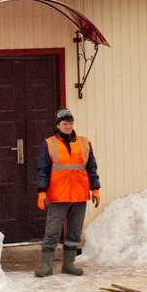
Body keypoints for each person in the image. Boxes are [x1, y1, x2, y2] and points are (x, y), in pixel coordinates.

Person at [33, 107, 101, 277]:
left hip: (79, 196)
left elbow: (91, 168)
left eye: (70, 123)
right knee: (52, 230)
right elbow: (43, 170)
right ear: (58, 125)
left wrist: (95, 189)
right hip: (58, 196)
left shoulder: (84, 143)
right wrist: (42, 192)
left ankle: (69, 264)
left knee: (74, 232)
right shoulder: (49, 144)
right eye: (64, 123)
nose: (68, 126)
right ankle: (46, 266)